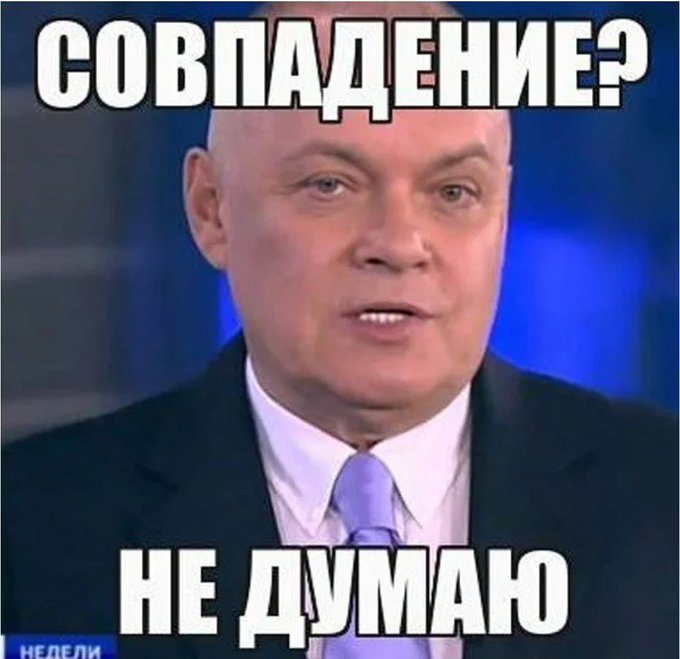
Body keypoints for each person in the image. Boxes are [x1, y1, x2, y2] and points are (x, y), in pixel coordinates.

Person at [2, 3, 676, 659]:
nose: (398, 244)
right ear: (211, 209)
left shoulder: (661, 497)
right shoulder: (29, 529)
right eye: (330, 185)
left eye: (453, 192)